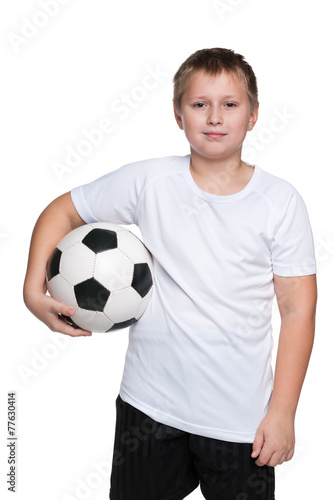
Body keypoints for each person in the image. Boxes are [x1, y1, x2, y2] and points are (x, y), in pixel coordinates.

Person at [23, 48, 317, 500]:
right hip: (149, 407)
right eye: (199, 104)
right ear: (179, 115)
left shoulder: (280, 202)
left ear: (254, 116)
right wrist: (31, 290)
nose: (214, 116)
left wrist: (283, 412)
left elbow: (298, 309)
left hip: (239, 418)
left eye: (230, 104)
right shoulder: (149, 182)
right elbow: (63, 210)